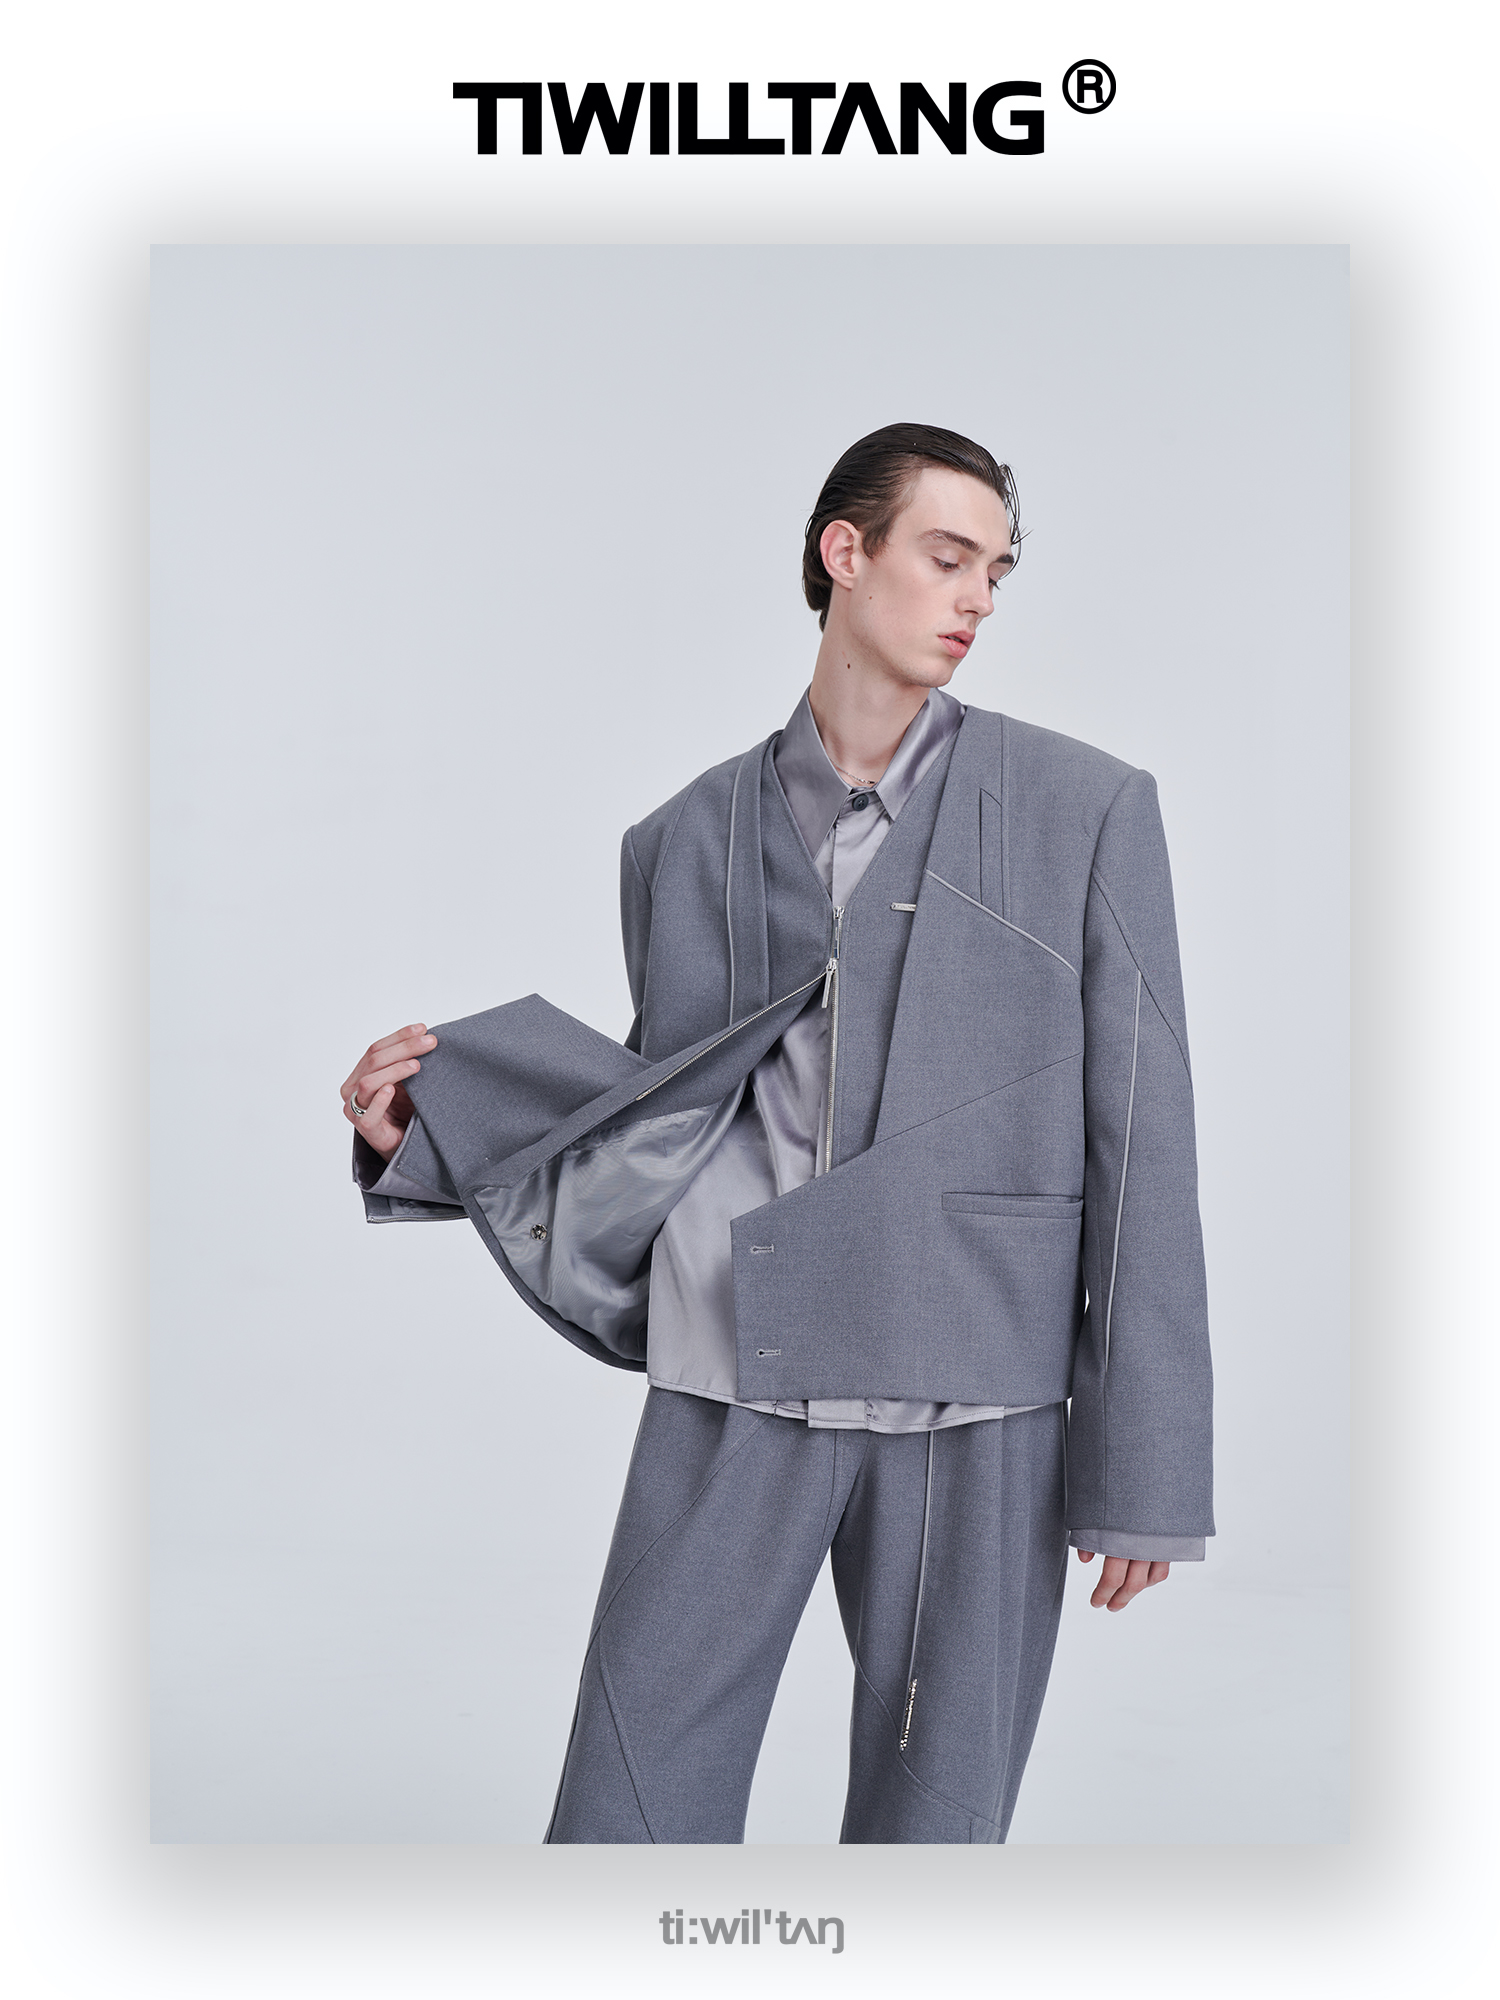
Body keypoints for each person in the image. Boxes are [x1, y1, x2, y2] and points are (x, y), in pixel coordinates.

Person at [340, 423, 1214, 1844]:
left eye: (996, 571)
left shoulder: (1088, 810)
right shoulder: (679, 839)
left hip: (975, 1394)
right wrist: (426, 1129)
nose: (978, 598)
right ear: (844, 552)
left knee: (937, 1836)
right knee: (628, 1811)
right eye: (949, 557)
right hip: (730, 1371)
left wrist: (1146, 1472)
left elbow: (1145, 1142)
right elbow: (665, 1104)